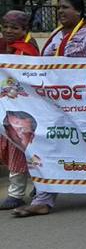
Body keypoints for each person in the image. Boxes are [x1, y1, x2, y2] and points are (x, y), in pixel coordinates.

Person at [13, 0, 86, 217]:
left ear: (79, 11)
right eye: (58, 8)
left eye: (65, 7)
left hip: (84, 104)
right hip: (54, 104)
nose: (60, 12)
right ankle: (43, 199)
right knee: (48, 145)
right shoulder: (56, 35)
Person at [0, 11, 40, 209]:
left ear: (25, 29)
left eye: (14, 28)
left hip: (24, 110)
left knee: (21, 149)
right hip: (5, 106)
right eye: (5, 26)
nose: (8, 31)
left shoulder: (28, 50)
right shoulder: (2, 45)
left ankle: (16, 194)